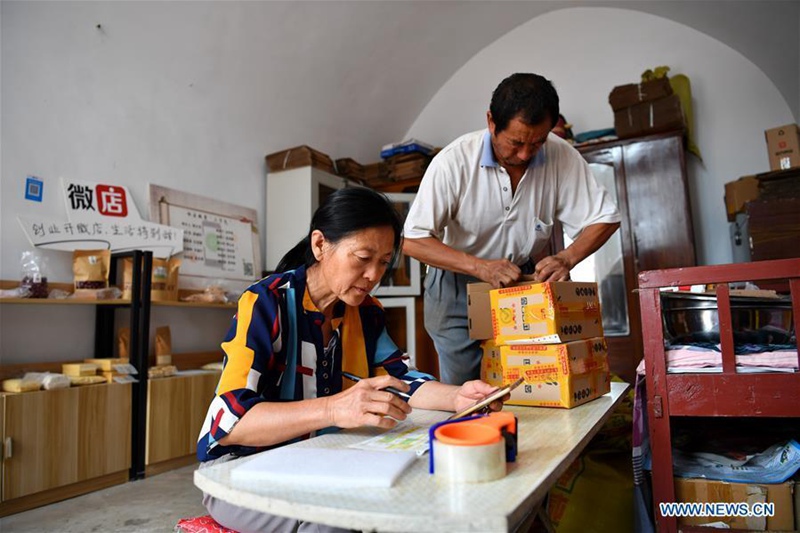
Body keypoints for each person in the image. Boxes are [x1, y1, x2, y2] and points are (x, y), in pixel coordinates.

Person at [196, 187, 505, 533]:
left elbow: (402, 380)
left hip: (317, 458)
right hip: (239, 469)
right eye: (362, 257)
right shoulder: (266, 303)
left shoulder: (365, 313)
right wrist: (333, 409)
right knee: (339, 518)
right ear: (319, 245)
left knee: (414, 489)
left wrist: (458, 396)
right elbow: (231, 423)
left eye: (384, 262)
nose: (374, 275)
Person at [403, 73, 621, 385]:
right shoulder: (454, 161)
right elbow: (413, 241)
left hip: (523, 277)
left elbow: (605, 218)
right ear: (492, 122)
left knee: (531, 379)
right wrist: (480, 267)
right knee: (469, 390)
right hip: (456, 283)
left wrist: (567, 258)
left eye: (537, 142)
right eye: (516, 142)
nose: (525, 154)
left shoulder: (561, 155)